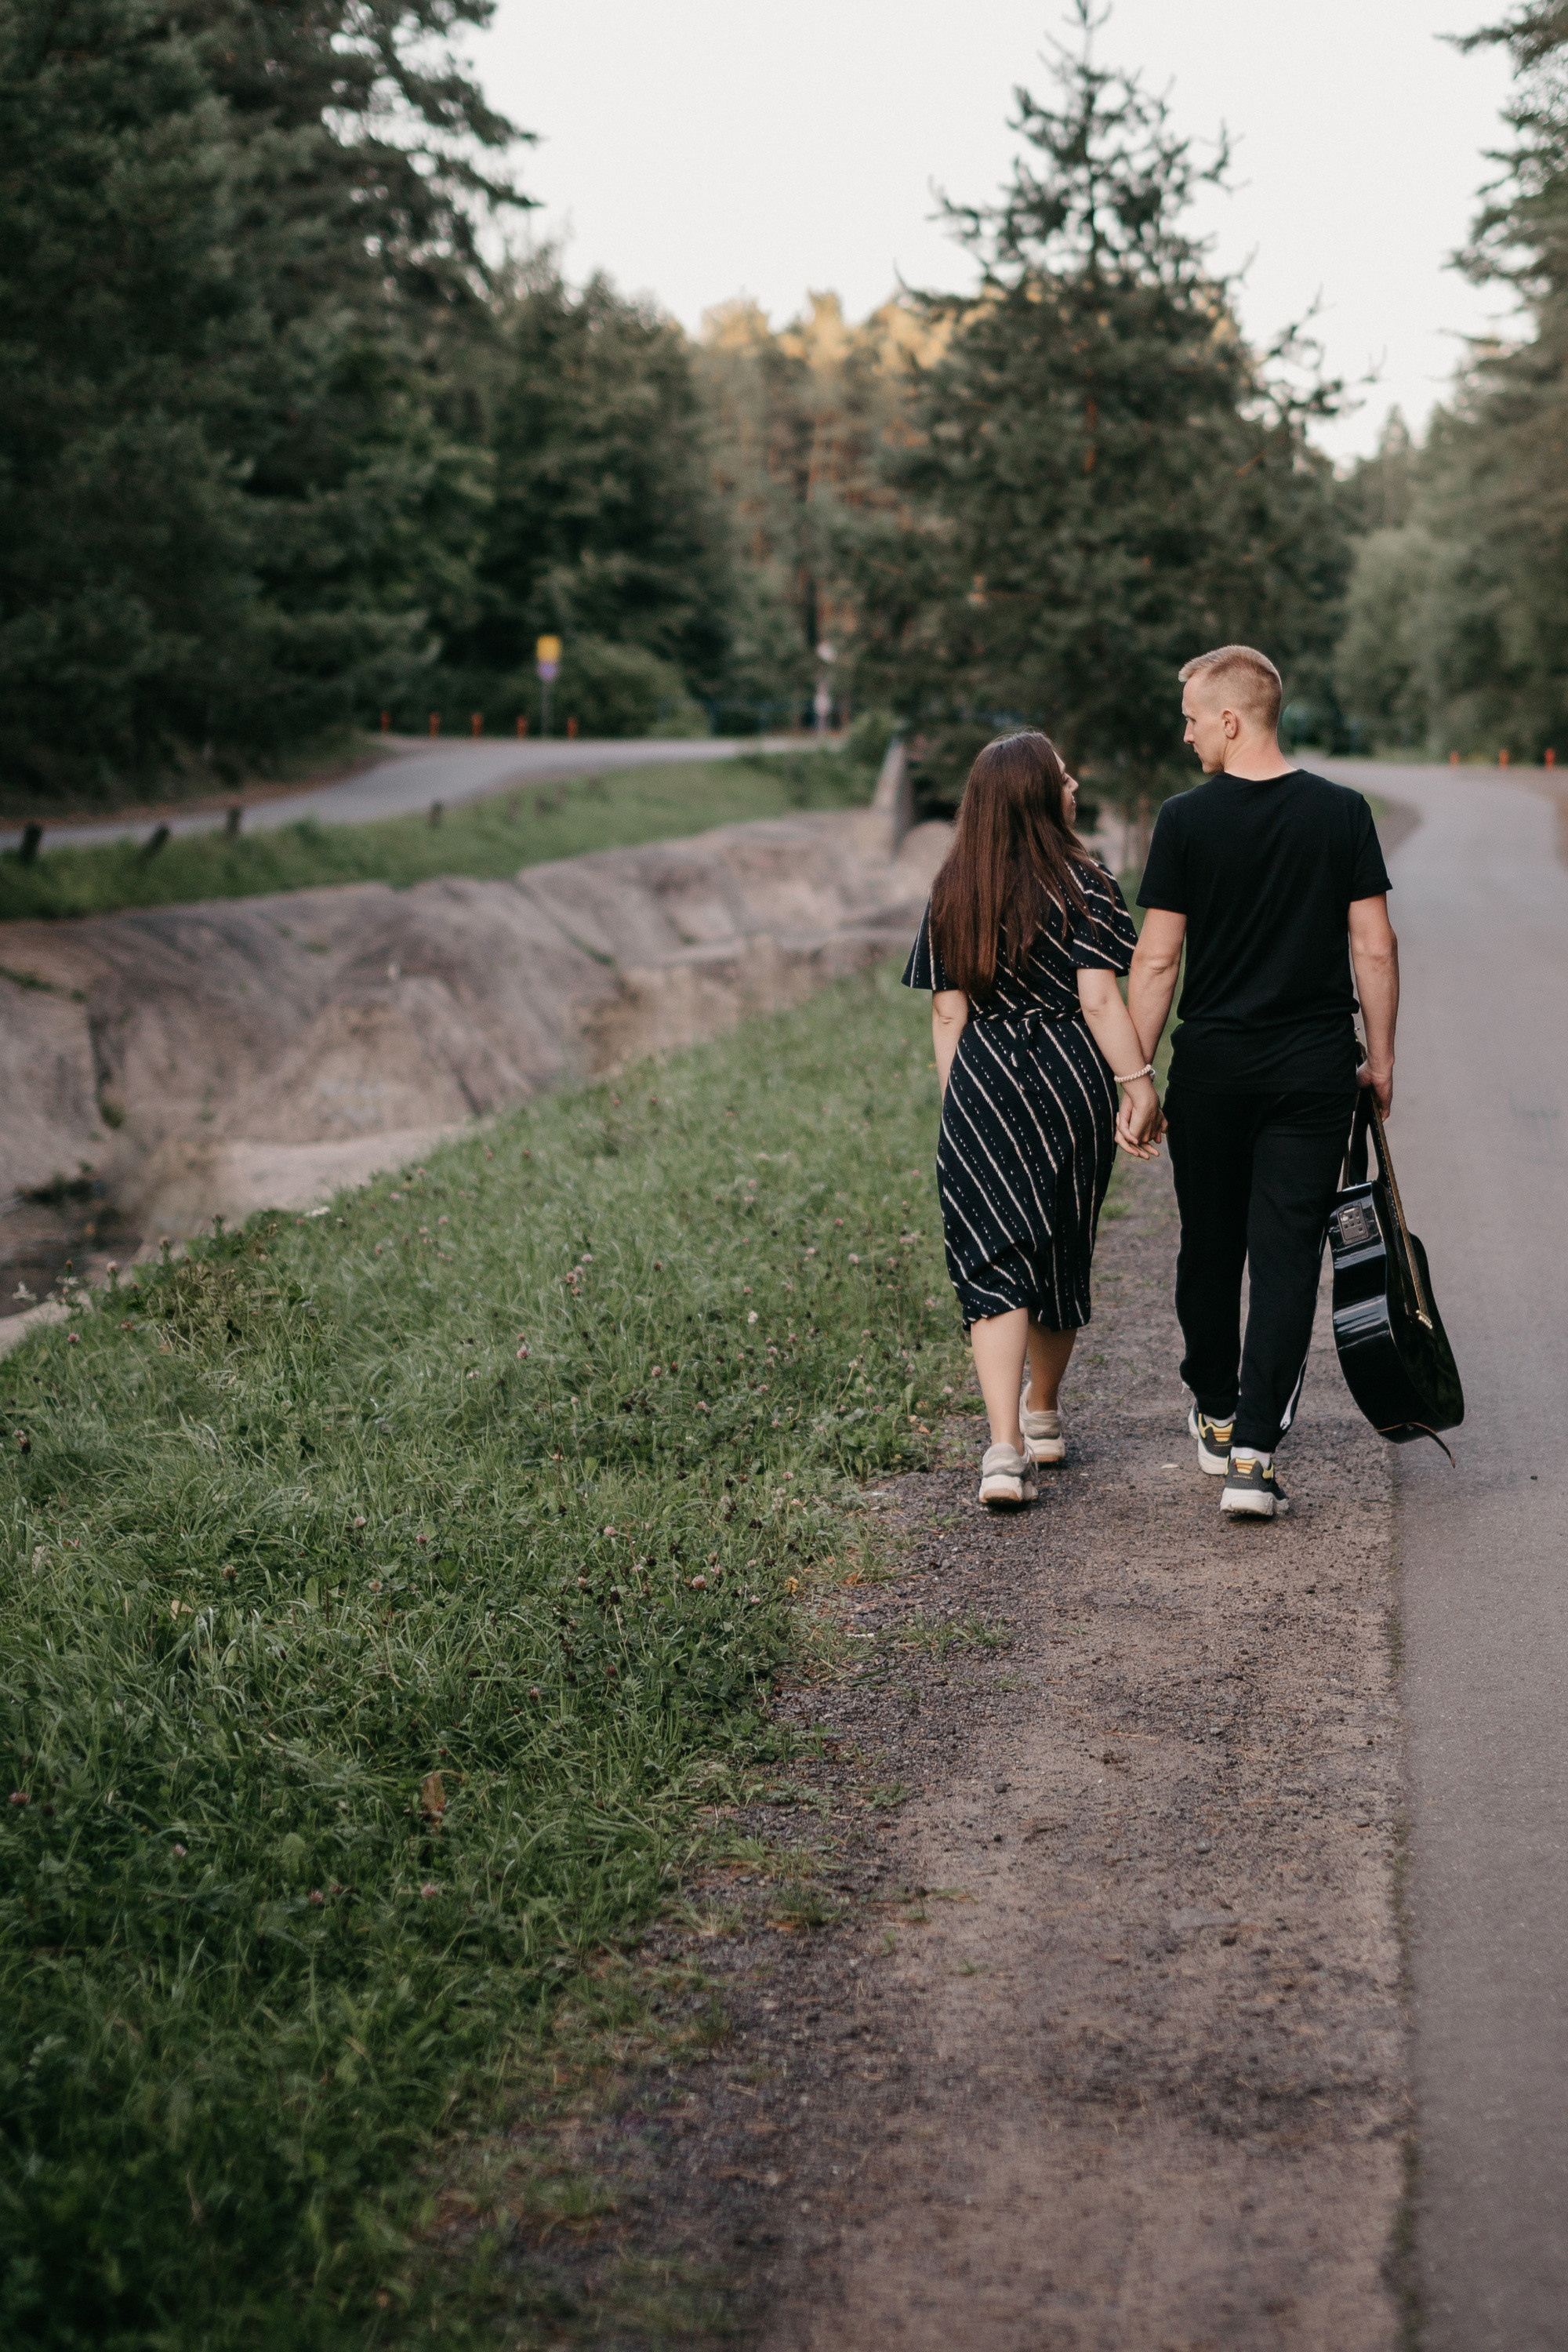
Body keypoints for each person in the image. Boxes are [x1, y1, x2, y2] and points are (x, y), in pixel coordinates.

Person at [1127, 644, 1399, 1520]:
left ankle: (1213, 1409)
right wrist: (1382, 1057)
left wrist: (1135, 1075)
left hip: (1212, 1070)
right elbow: (1373, 946)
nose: (1186, 736)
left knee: (1207, 1248)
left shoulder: (1184, 820)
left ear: (1231, 720)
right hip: (1313, 1070)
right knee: (1285, 1259)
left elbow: (1158, 958)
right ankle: (1252, 1456)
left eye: (1192, 720)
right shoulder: (1340, 813)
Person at [903, 731, 1163, 1508]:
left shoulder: (954, 885)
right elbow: (1096, 1000)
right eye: (1061, 776)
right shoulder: (1085, 882)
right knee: (1059, 1240)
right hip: (1067, 1074)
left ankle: (1001, 1451)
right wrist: (1138, 1083)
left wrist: (963, 1106)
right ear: (1035, 794)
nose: (1073, 783)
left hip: (981, 1071)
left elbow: (946, 1013)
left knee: (993, 1257)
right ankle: (1042, 1413)